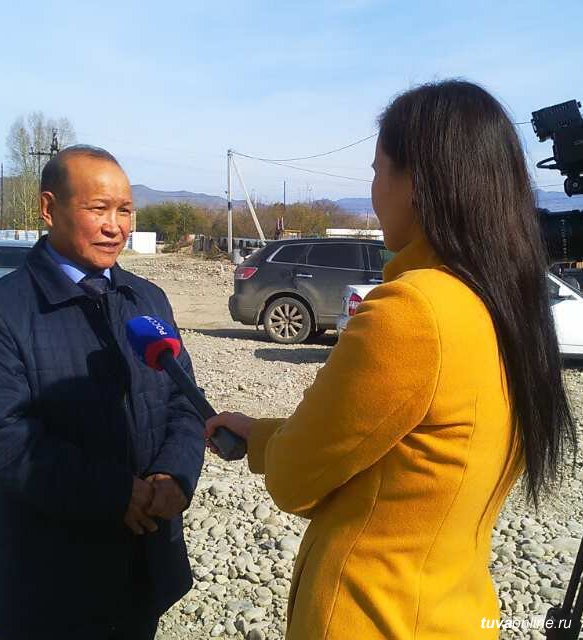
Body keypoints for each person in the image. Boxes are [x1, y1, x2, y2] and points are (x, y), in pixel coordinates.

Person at [207, 80, 578, 639]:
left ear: (418, 183)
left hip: (374, 615)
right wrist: (260, 434)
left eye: (379, 170)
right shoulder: (505, 304)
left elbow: (294, 479)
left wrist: (272, 451)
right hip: (455, 611)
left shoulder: (412, 312)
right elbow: (404, 451)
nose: (374, 189)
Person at [0, 144, 204, 640]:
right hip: (50, 581)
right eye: (99, 208)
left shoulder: (147, 299)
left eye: (125, 211)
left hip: (143, 567)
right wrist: (114, 493)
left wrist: (175, 475)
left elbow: (183, 399)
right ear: (49, 208)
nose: (115, 227)